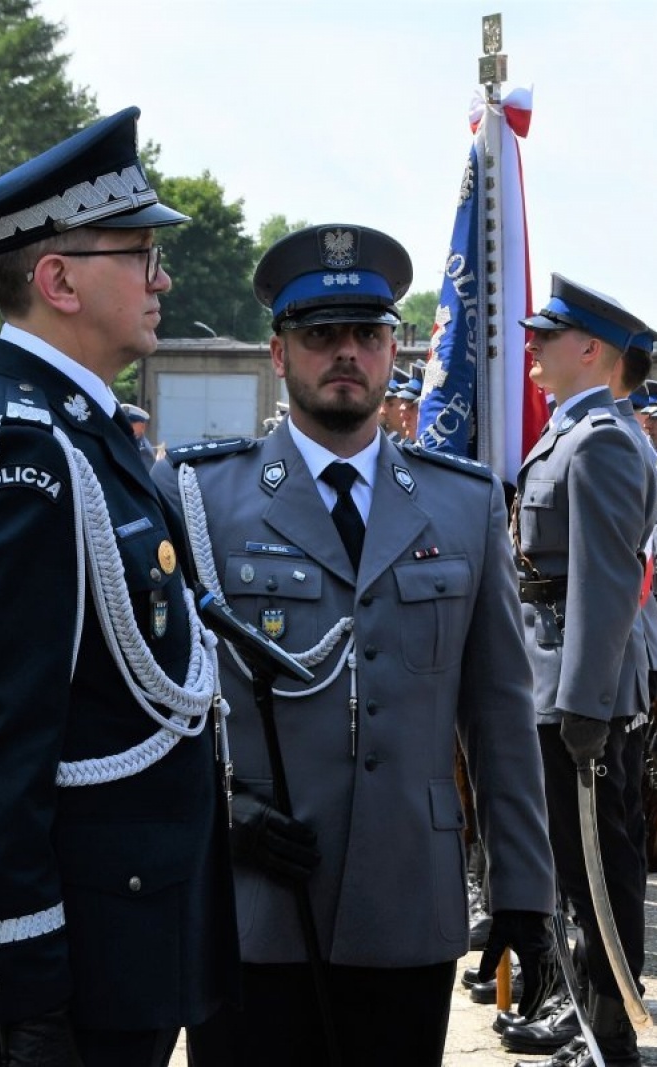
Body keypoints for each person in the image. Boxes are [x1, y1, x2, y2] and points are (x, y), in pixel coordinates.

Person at [154, 224, 557, 1066]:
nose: (346, 354)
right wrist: (217, 814)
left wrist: (523, 886)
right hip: (253, 899)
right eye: (320, 335)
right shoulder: (199, 496)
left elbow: (500, 715)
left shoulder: (461, 504)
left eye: (367, 335)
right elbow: (155, 701)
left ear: (393, 347)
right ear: (279, 352)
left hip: (406, 902)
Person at [0, 106, 238, 1067]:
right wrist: (23, 981)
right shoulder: (22, 448)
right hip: (75, 961)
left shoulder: (79, 430)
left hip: (130, 935)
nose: (162, 277)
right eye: (139, 253)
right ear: (58, 279)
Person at [513, 275, 657, 1067]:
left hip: (581, 683)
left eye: (547, 336)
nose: (532, 347)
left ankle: (610, 1029)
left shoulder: (600, 437)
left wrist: (584, 702)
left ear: (591, 349)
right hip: (550, 673)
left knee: (599, 861)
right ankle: (580, 1011)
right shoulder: (569, 432)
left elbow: (605, 586)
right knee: (572, 866)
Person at [120, 402, 158, 470]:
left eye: (131, 423)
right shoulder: (128, 442)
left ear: (142, 427)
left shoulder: (143, 450)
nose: (126, 426)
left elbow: (145, 477)